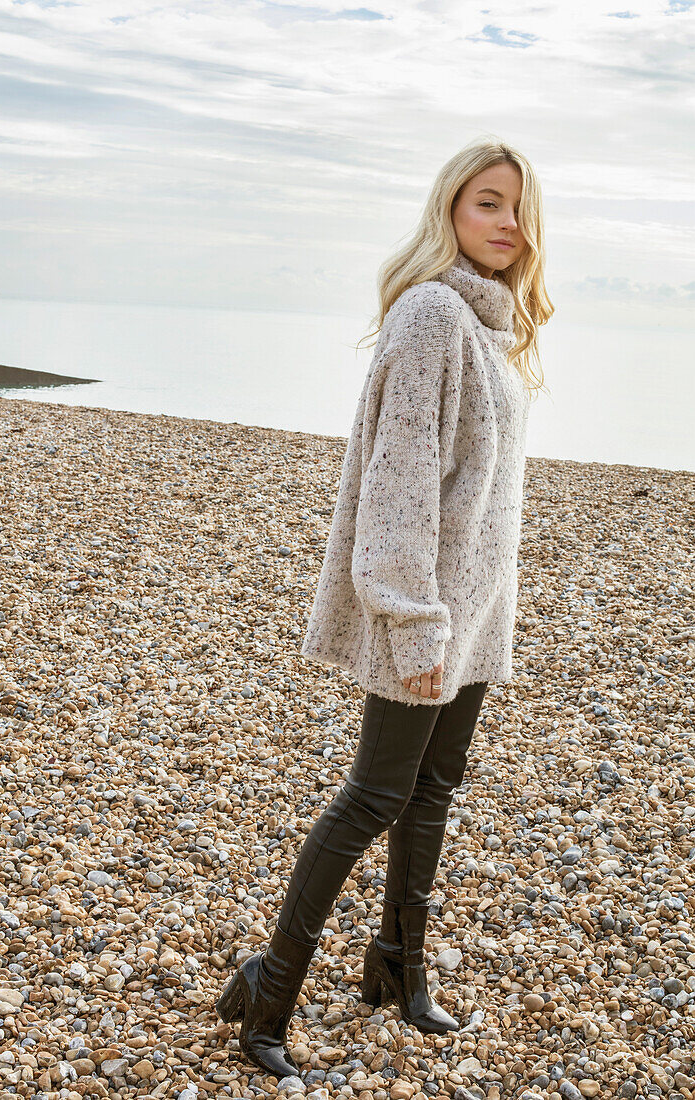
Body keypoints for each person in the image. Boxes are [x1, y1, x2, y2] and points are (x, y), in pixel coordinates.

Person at [215, 137, 553, 1079]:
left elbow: (477, 496)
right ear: (449, 207)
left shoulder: (491, 325)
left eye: (520, 210)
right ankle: (268, 987)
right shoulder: (433, 315)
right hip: (427, 609)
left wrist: (470, 617)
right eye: (489, 203)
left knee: (433, 789)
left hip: (474, 608)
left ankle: (396, 968)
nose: (508, 225)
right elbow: (398, 488)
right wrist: (412, 618)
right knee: (375, 793)